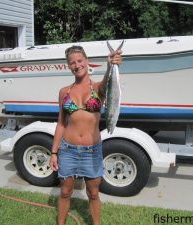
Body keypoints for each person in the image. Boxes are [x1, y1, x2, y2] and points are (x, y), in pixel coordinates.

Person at [50, 44, 122, 225]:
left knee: (93, 193)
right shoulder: (64, 92)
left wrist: (110, 65)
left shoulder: (98, 89)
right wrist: (54, 152)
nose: (77, 65)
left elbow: (108, 83)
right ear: (69, 66)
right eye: (72, 63)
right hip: (67, 149)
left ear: (87, 61)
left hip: (92, 150)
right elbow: (60, 124)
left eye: (80, 60)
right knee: (65, 192)